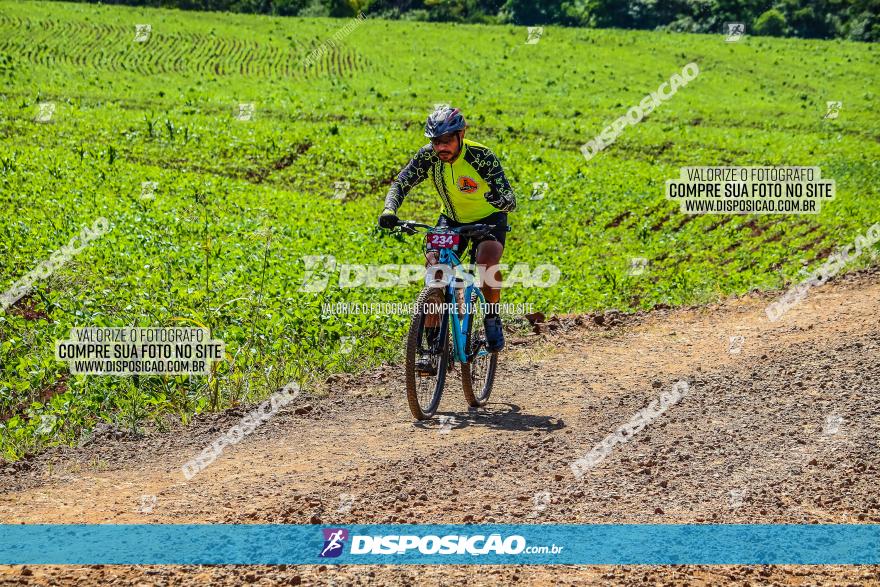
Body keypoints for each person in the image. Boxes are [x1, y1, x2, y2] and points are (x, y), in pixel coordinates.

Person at [378, 106, 516, 365]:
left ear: (461, 135)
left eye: (447, 141)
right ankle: (432, 349)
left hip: (489, 218)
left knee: (487, 262)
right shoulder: (428, 157)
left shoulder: (481, 156)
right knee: (435, 270)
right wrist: (389, 209)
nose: (441, 147)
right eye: (435, 142)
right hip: (451, 219)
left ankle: (491, 316)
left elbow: (510, 199)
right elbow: (402, 182)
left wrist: (500, 200)